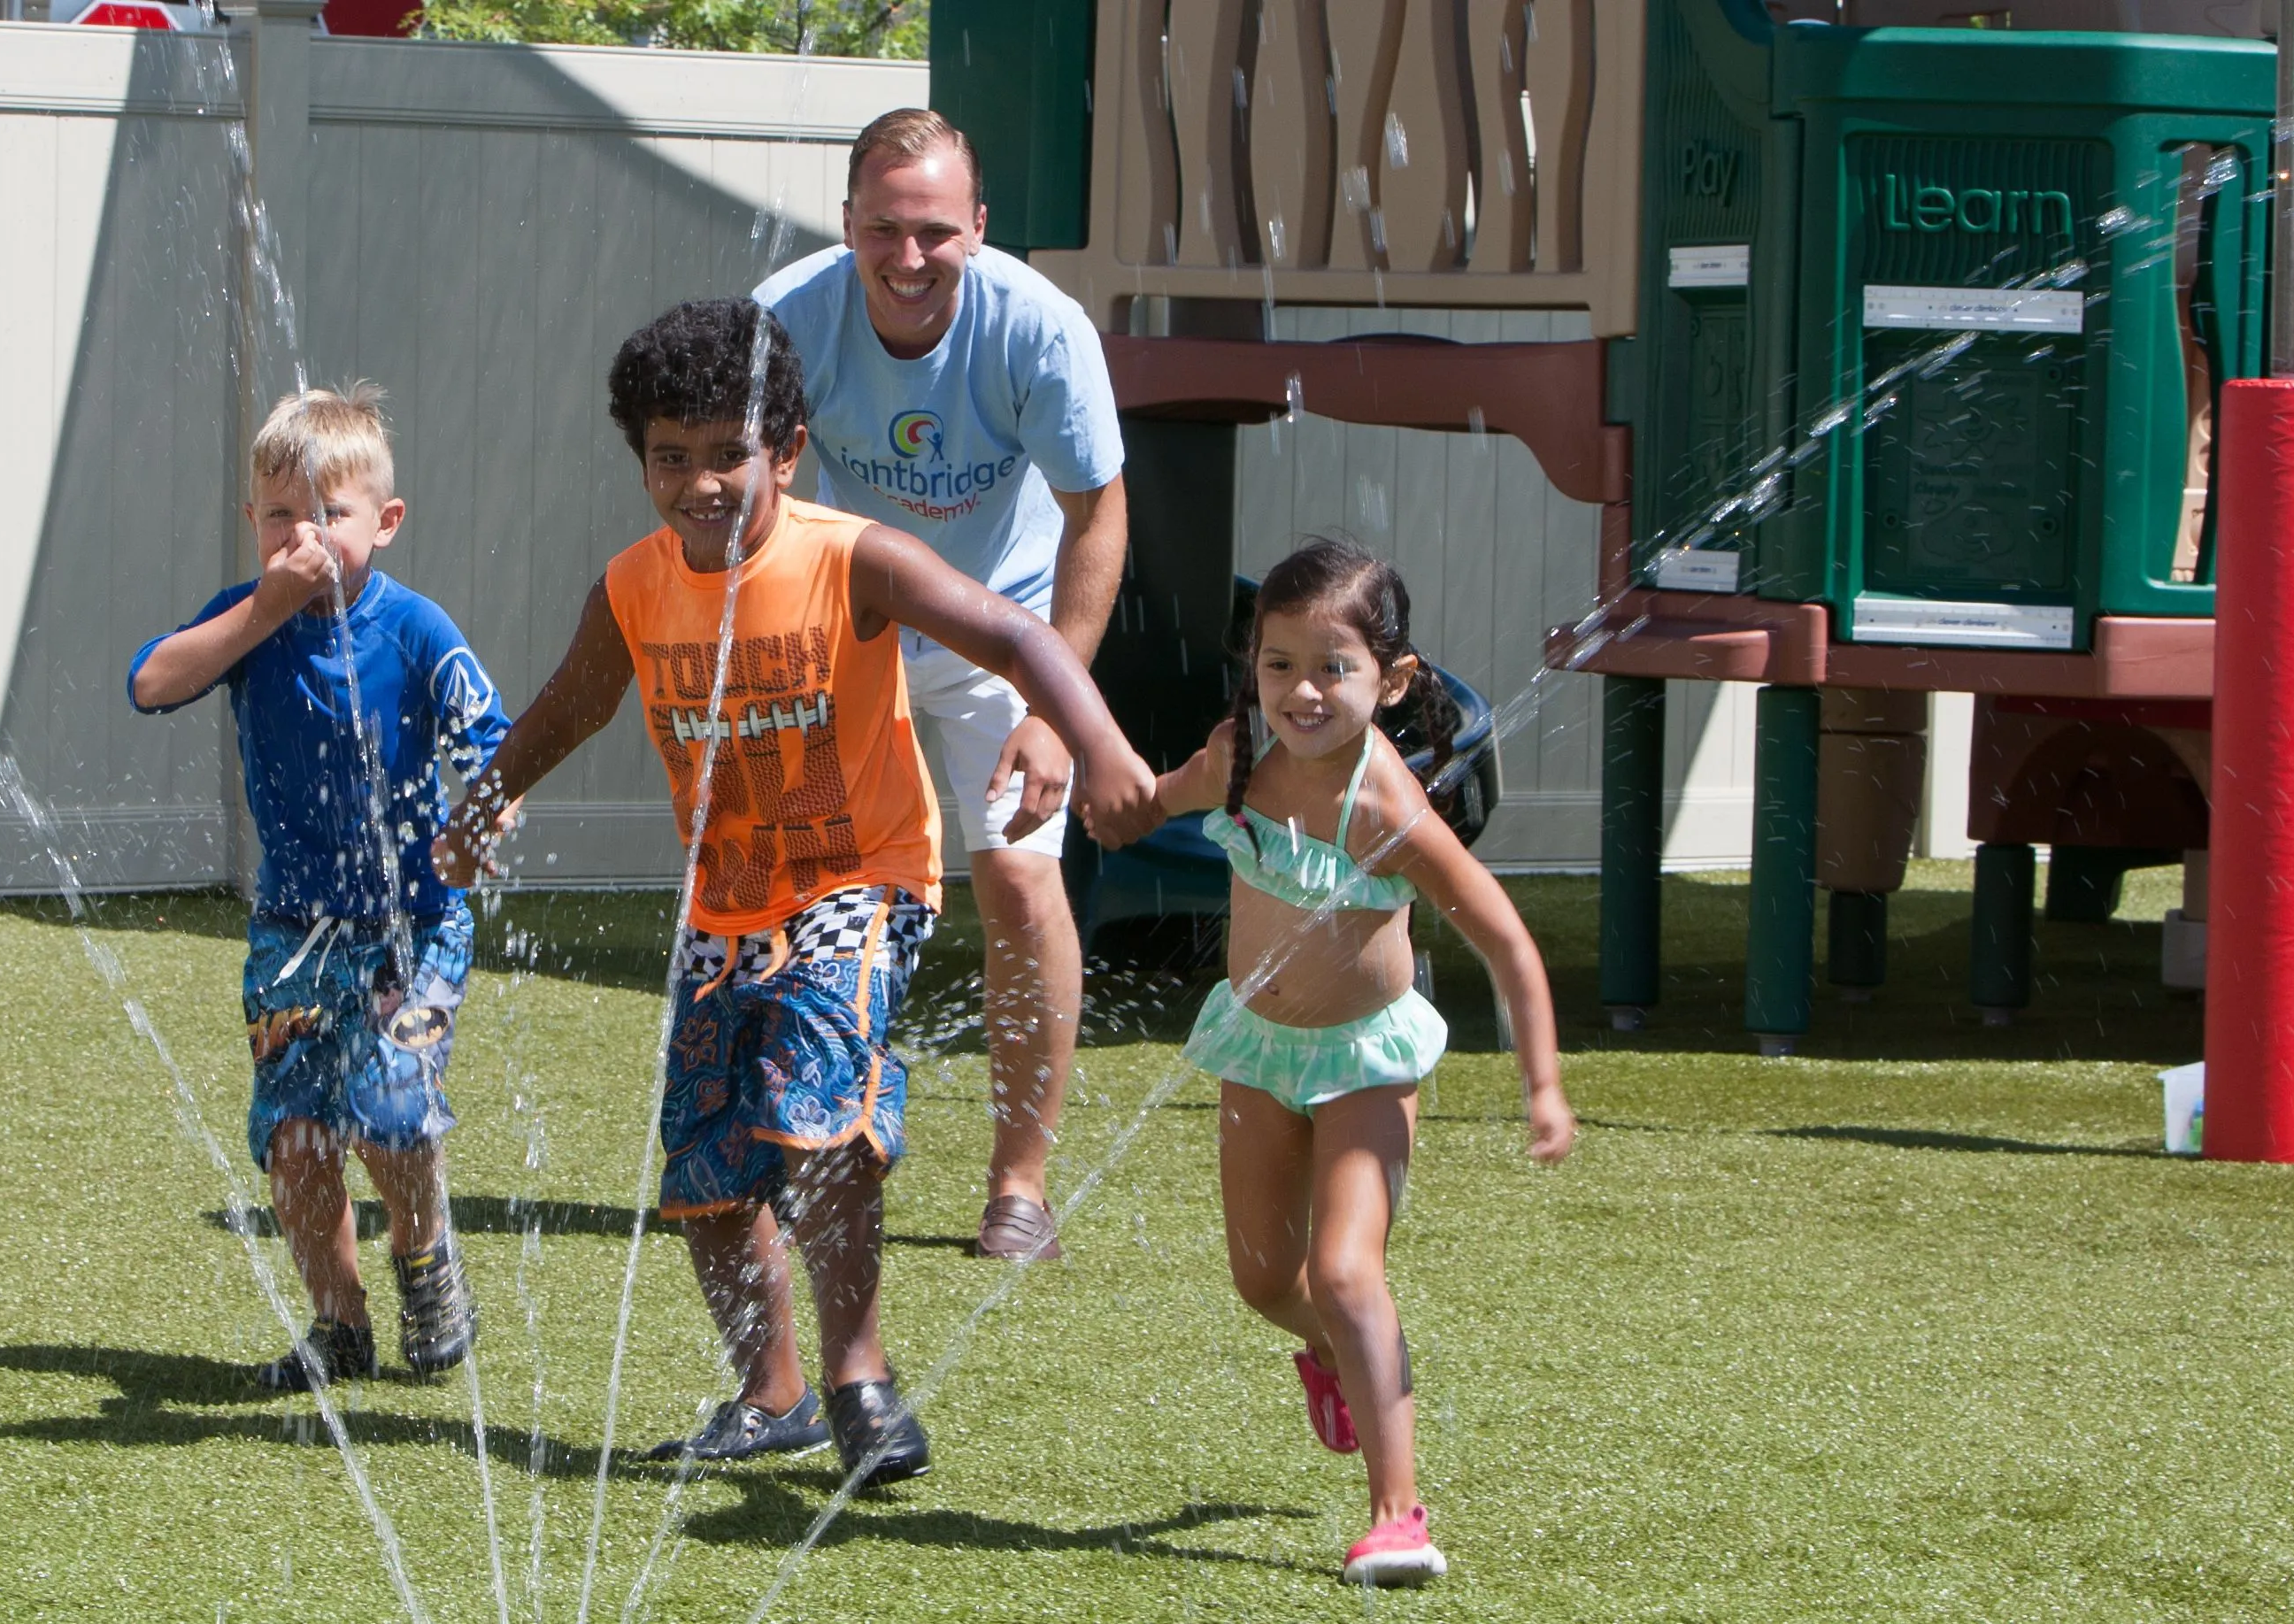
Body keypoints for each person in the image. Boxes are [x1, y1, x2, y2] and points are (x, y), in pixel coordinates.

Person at [432, 300, 1153, 1482]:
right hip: (723, 904)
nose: (701, 481)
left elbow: (1018, 635)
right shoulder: (632, 585)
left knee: (816, 1107)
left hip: (860, 880)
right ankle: (771, 1395)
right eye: (673, 455)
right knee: (707, 1169)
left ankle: (857, 1376)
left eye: (729, 453)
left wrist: (1089, 738)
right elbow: (574, 699)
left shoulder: (850, 556)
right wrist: (487, 796)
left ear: (786, 449)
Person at [1104, 539, 1575, 1585]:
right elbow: (1161, 798)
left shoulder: (1388, 809)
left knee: (1346, 1270)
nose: (1302, 691)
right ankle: (1336, 1360)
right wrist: (1107, 805)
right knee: (1264, 1277)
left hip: (1365, 1060)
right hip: (1255, 1050)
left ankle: (1396, 1511)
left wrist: (1539, 1080)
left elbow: (1505, 938)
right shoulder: (1238, 756)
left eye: (1333, 667)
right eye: (1279, 664)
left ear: (1391, 678)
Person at [756, 108, 1129, 1263]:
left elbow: (1096, 515)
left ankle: (1018, 1185)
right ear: (849, 223)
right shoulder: (784, 318)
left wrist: (1050, 705)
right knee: (790, 890)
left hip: (1002, 632)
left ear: (975, 225)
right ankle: (789, 1141)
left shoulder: (1040, 331)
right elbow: (736, 490)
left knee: (1019, 888)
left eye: (932, 231)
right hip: (841, 623)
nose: (906, 258)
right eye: (882, 230)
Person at [128, 384, 508, 1391]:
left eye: (328, 514)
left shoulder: (415, 627)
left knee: (392, 1107)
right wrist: (264, 607)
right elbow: (152, 683)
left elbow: (489, 737)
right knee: (295, 1138)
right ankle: (339, 1321)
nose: (305, 535)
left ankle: (423, 1258)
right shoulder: (250, 621)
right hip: (293, 930)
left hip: (414, 925)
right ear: (253, 522)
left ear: (383, 523)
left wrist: (492, 806)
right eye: (282, 514)